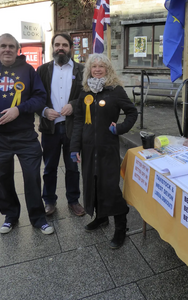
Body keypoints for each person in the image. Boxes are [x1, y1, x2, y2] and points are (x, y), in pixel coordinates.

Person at [0, 33, 53, 235]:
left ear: (18, 50)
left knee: (33, 177)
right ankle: (10, 216)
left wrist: (19, 109)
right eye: (3, 46)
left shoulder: (28, 71)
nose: (7, 49)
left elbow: (40, 98)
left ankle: (38, 218)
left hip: (25, 136)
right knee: (2, 179)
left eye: (11, 46)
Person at [70, 53, 138, 249]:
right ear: (89, 70)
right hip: (88, 148)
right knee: (92, 182)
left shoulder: (115, 91)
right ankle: (101, 218)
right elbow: (78, 122)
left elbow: (132, 112)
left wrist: (120, 128)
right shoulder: (84, 92)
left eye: (101, 66)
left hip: (108, 148)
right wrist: (75, 147)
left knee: (110, 187)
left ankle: (120, 228)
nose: (98, 69)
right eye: (94, 66)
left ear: (108, 69)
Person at [37, 33, 85, 217]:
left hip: (73, 128)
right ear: (52, 47)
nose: (60, 48)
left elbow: (86, 96)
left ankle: (73, 201)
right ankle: (49, 201)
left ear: (71, 48)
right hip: (50, 127)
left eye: (64, 45)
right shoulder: (42, 70)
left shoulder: (81, 70)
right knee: (49, 167)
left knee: (73, 167)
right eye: (57, 44)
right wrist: (44, 110)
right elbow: (35, 98)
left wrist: (74, 105)